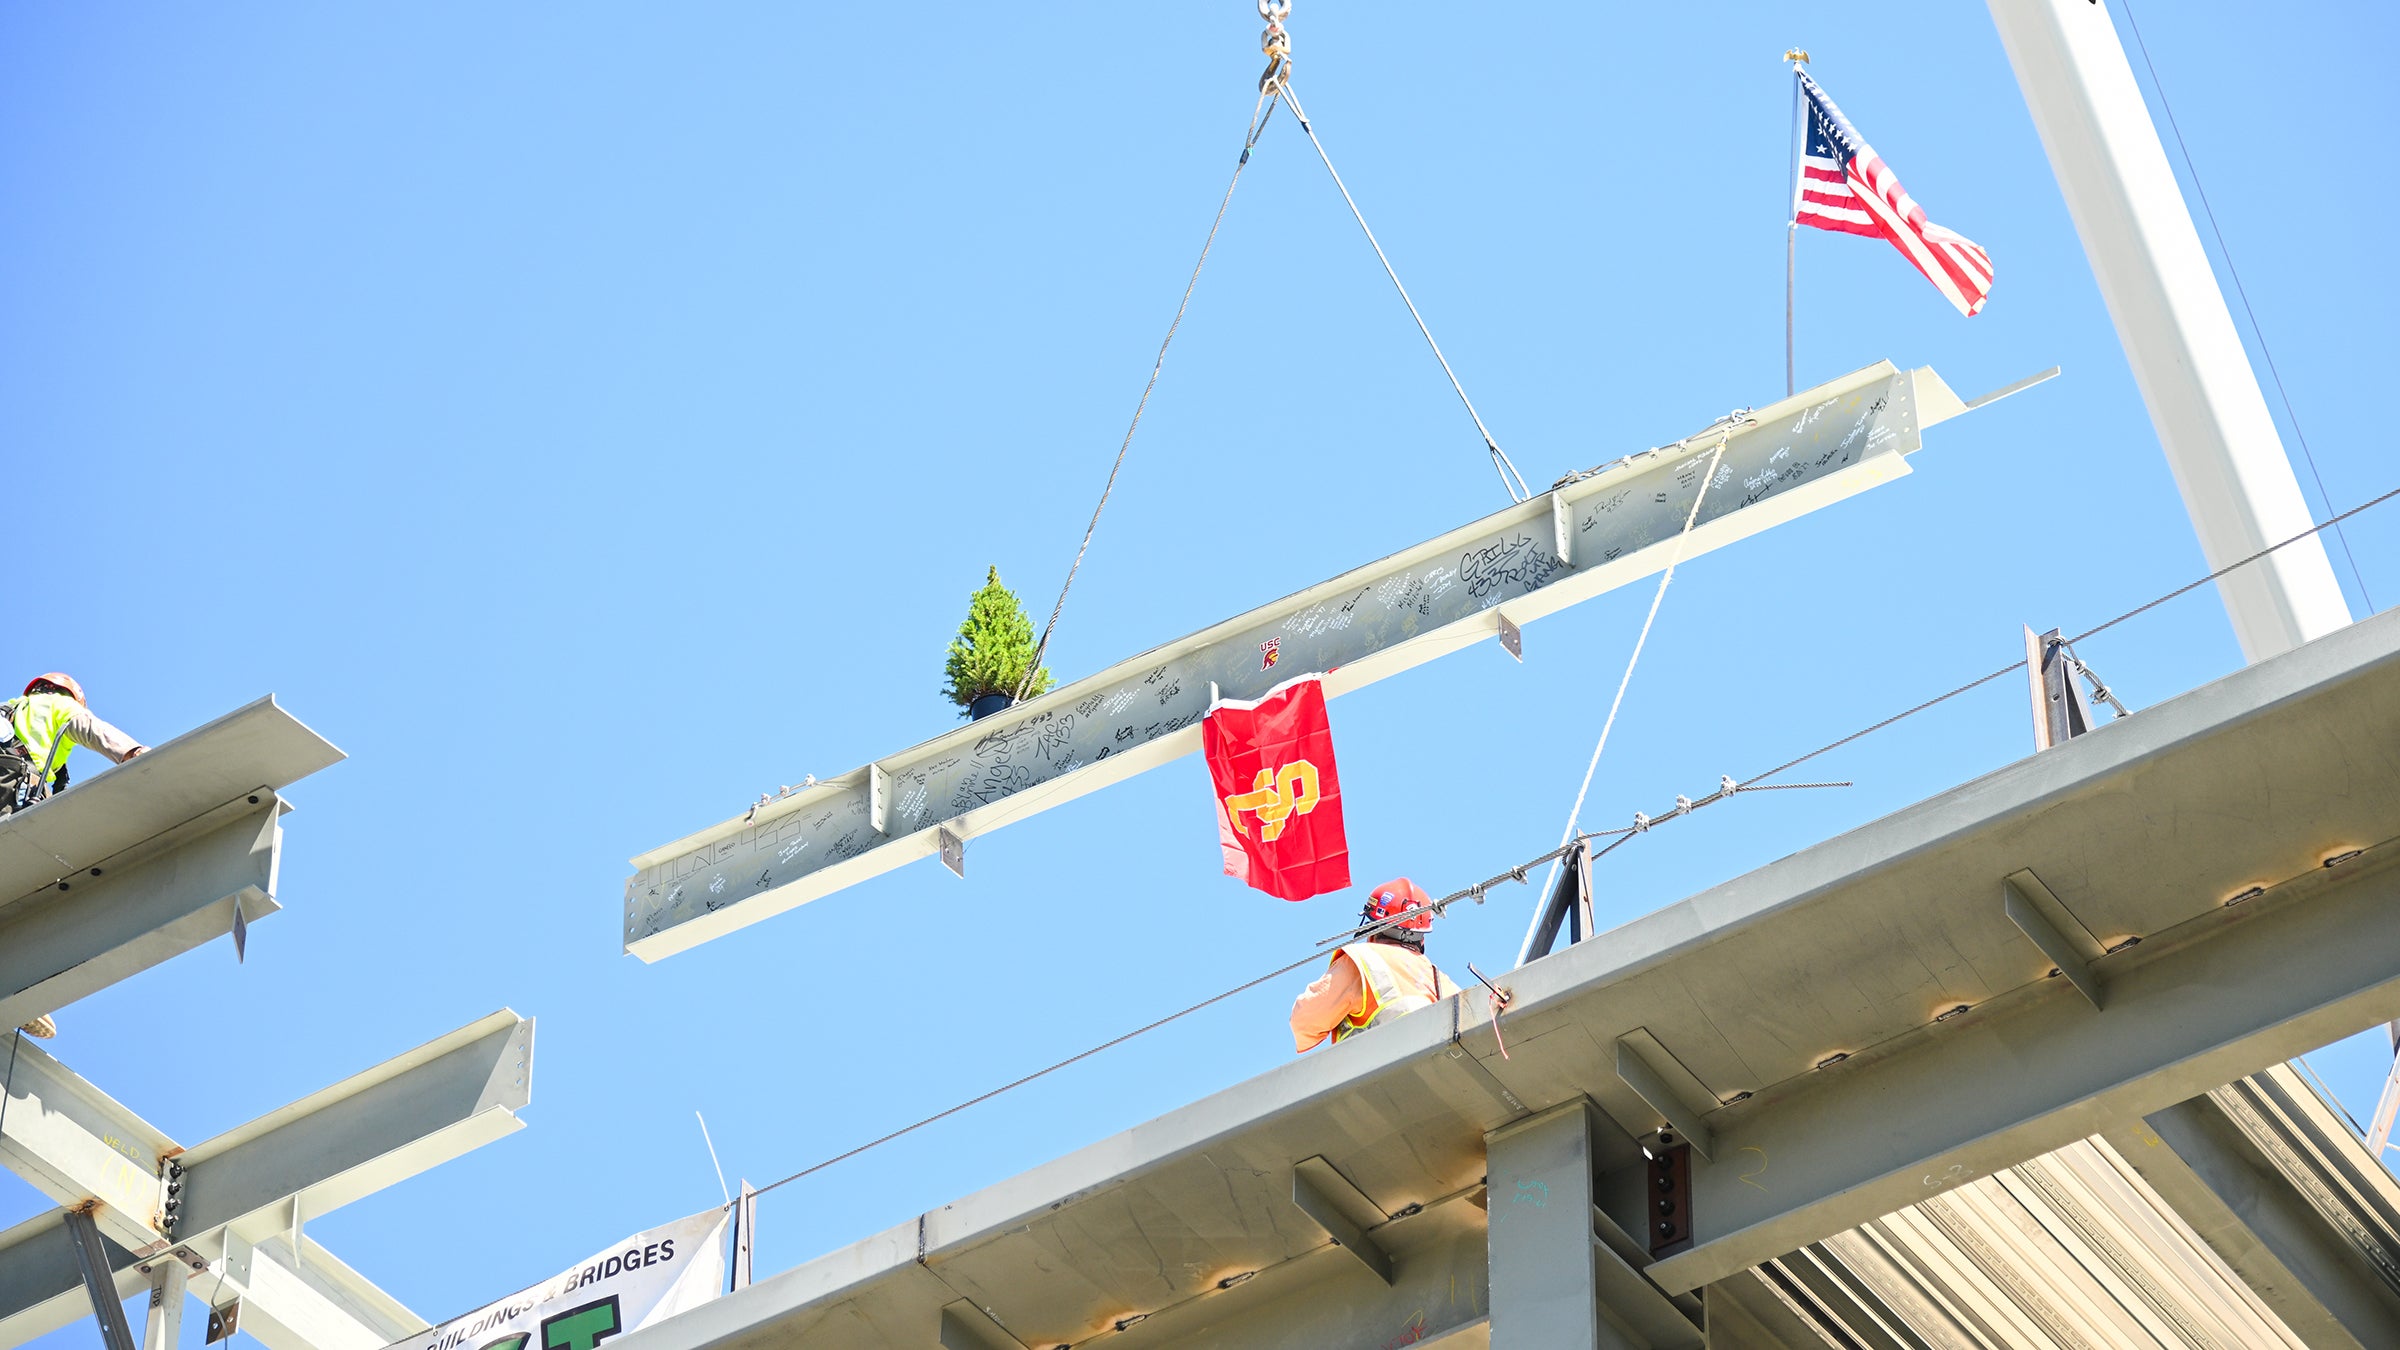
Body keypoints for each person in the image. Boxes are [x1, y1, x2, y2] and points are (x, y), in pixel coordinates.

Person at [4, 672, 146, 1040]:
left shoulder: (7, 711)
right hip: (10, 799)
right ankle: (19, 987)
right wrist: (134, 755)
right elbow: (90, 728)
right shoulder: (58, 705)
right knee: (42, 891)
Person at [1290, 878, 1461, 1053]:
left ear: (1373, 927)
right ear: (1421, 937)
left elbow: (1305, 1020)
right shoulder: (1443, 982)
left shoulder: (1362, 961)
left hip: (1377, 1074)